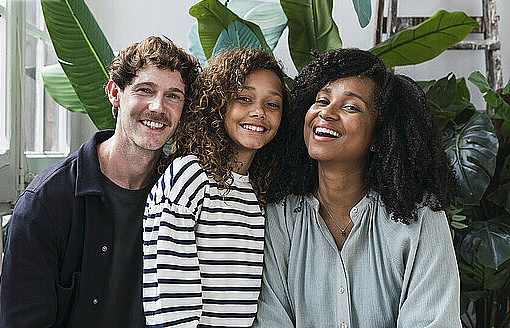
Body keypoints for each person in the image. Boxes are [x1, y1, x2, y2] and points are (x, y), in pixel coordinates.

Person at [0, 36, 199, 328]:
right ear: (115, 93)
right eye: (145, 90)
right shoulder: (45, 203)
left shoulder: (187, 194)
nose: (158, 107)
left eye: (173, 96)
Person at [254, 49, 462, 328]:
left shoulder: (419, 216)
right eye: (322, 100)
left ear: (378, 135)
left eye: (350, 106)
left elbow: (432, 322)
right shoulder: (281, 214)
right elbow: (272, 320)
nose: (326, 113)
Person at [143, 48, 290, 327]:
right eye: (244, 99)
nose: (259, 111)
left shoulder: (260, 189)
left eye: (273, 104)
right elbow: (168, 291)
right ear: (218, 103)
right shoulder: (189, 177)